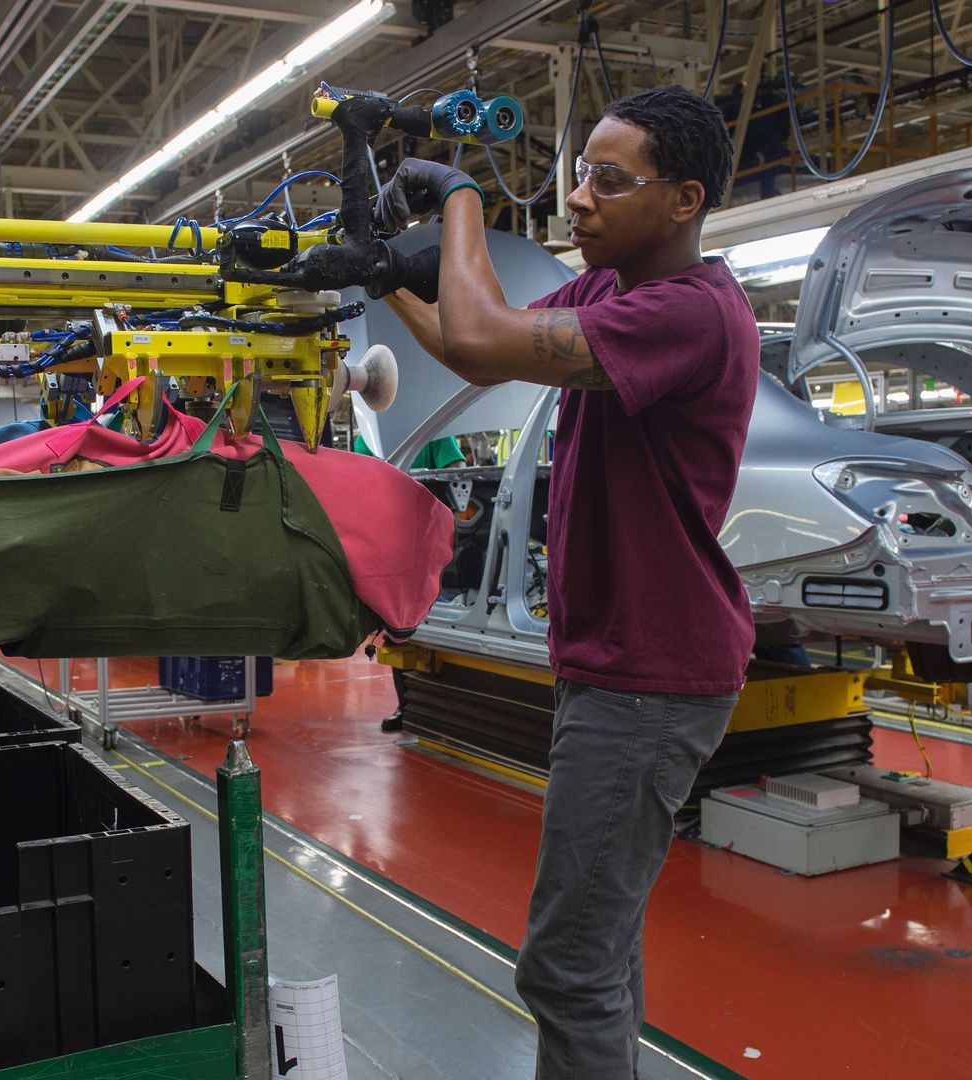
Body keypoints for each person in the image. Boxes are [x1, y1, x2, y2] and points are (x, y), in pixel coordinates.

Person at [375, 86, 759, 1078]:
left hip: (652, 677)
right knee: (599, 947)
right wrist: (385, 276)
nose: (580, 199)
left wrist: (462, 200)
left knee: (564, 965)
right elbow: (480, 332)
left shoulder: (691, 314)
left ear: (683, 200)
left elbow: (479, 337)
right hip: (617, 666)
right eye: (581, 173)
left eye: (608, 180)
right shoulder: (611, 293)